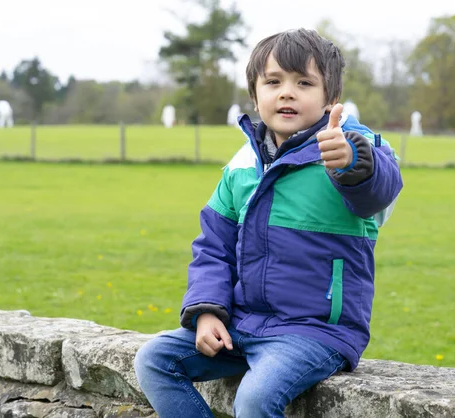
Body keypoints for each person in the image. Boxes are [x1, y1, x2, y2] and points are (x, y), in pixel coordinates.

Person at [134, 28, 403, 418]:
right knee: (155, 360)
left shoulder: (349, 147)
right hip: (243, 324)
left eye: (303, 83)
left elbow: (379, 193)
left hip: (315, 332)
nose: (286, 92)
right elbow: (214, 246)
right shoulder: (242, 165)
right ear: (256, 95)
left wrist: (351, 162)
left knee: (255, 398)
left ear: (330, 98)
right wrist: (207, 311)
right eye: (273, 81)